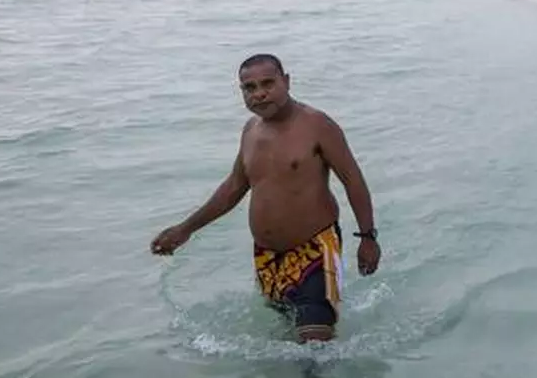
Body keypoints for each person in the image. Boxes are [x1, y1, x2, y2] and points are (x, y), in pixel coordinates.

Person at [150, 54, 381, 343]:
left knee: (314, 353)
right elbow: (234, 187)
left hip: (315, 250)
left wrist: (368, 237)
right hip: (267, 257)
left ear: (286, 81)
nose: (259, 93)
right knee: (284, 341)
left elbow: (353, 180)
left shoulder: (317, 125)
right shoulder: (250, 131)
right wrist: (185, 229)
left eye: (268, 83)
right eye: (249, 87)